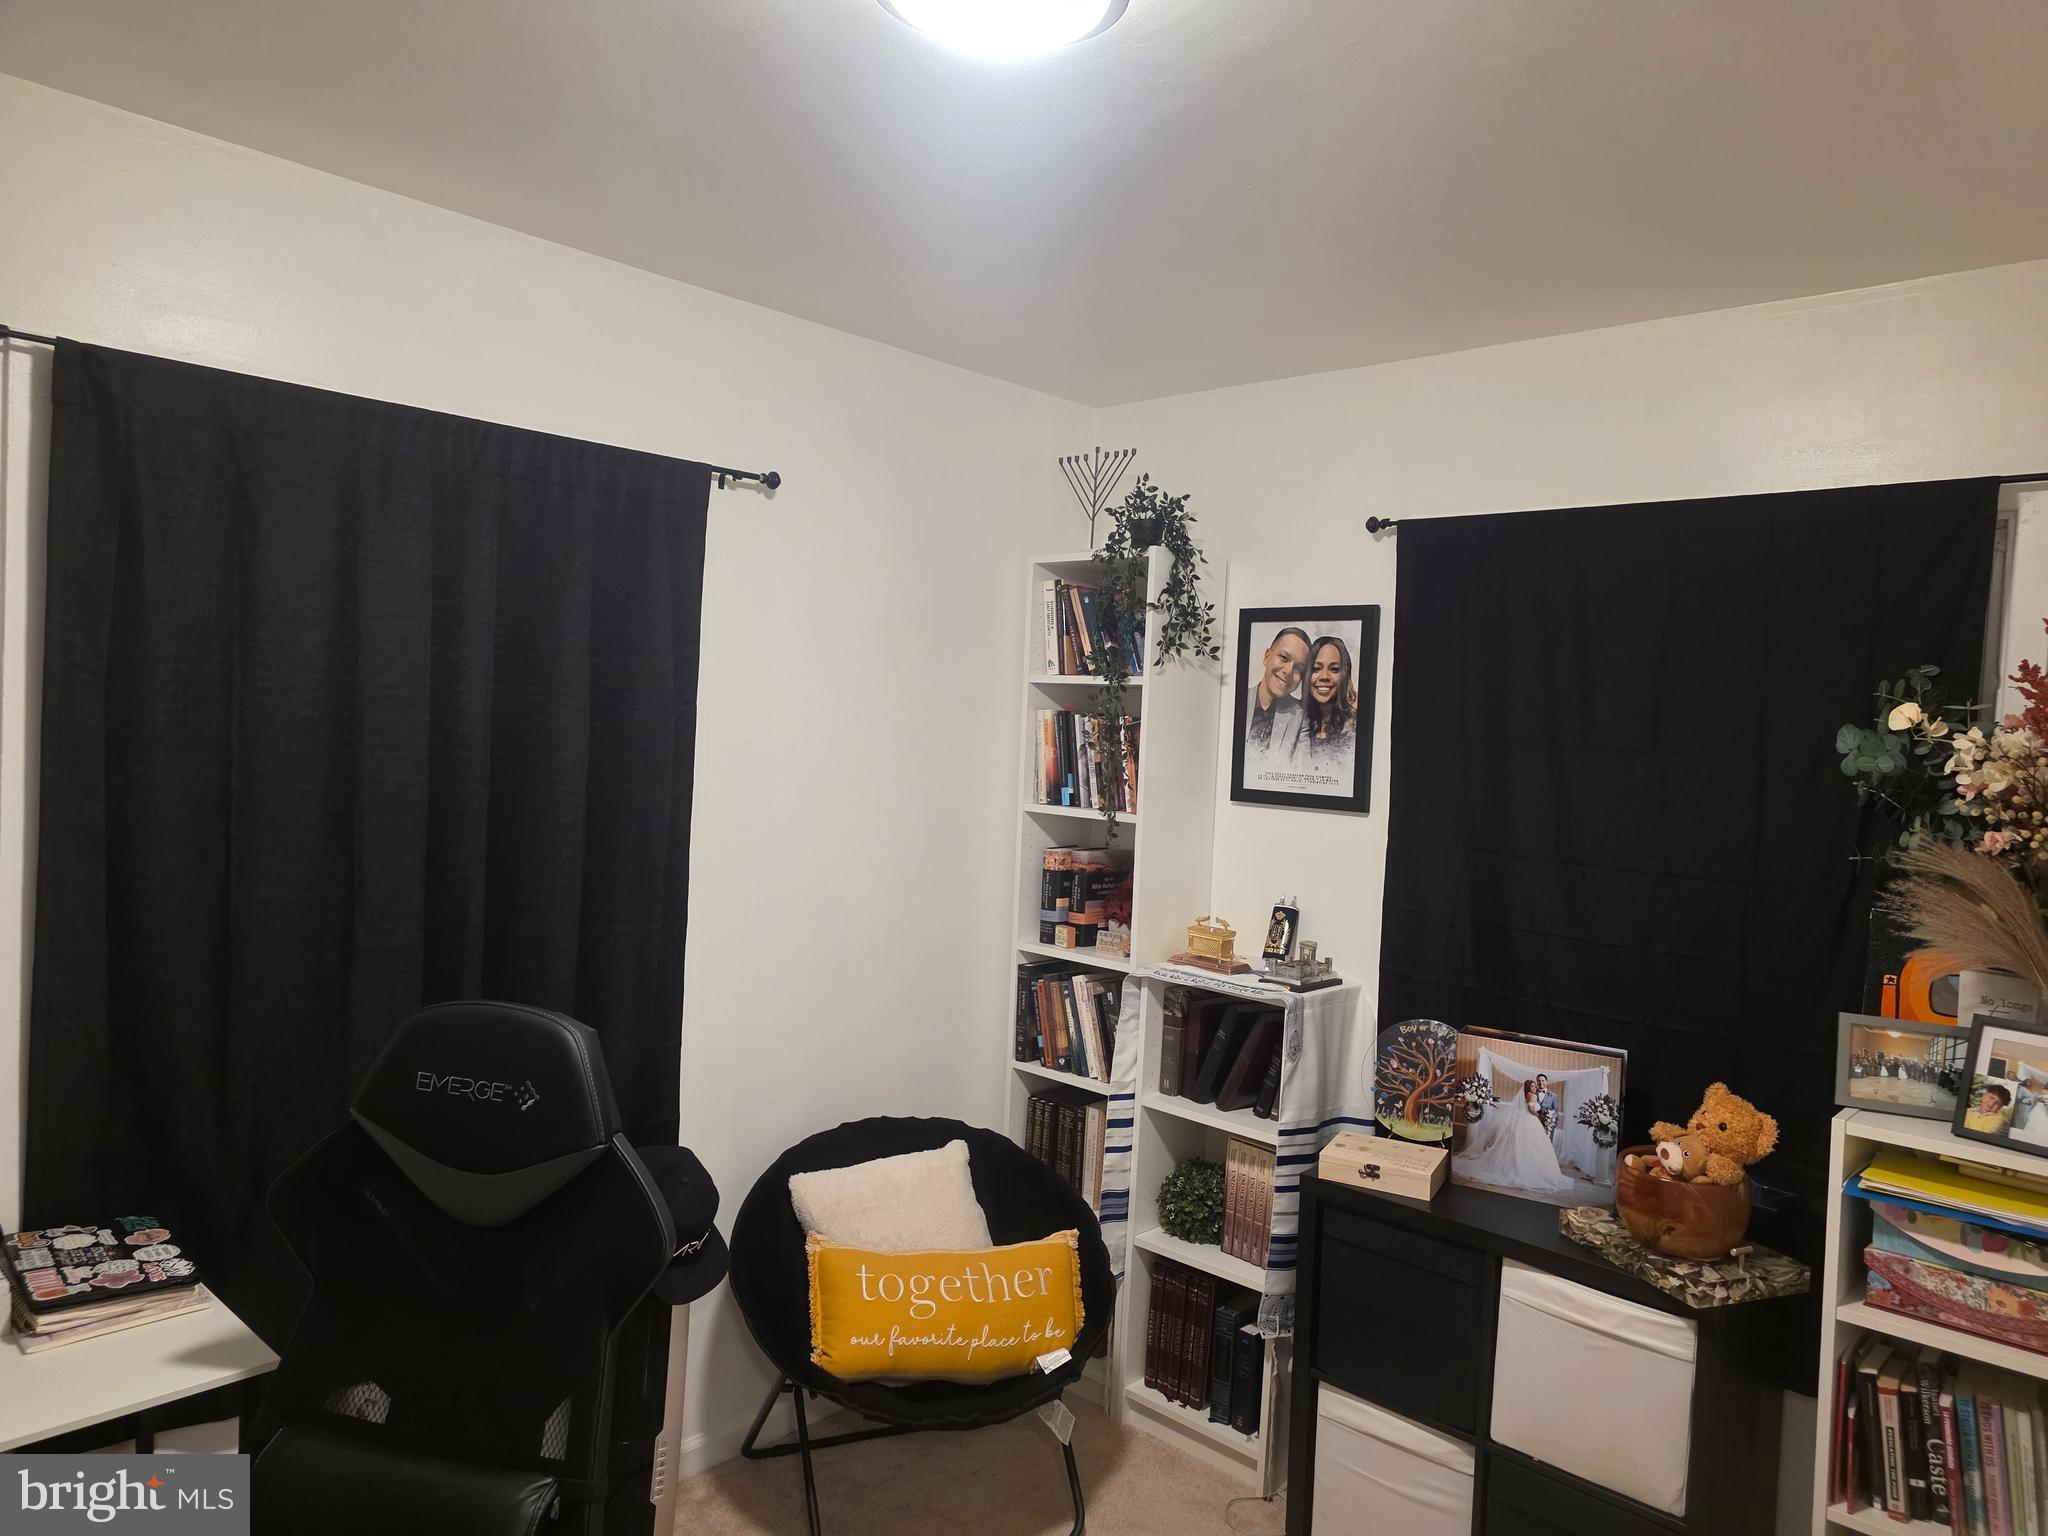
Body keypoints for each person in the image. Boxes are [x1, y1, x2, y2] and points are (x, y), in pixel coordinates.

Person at [1456, 1077, 1573, 1198]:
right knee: (1531, 1146)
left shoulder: (1526, 1094)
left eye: (1535, 1086)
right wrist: (1541, 1116)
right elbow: (1532, 1109)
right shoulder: (1532, 1095)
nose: (1534, 1087)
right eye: (1532, 1086)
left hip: (1523, 1119)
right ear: (1529, 1087)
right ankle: (1526, 1171)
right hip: (1531, 1120)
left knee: (1521, 1145)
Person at [1245, 627, 1311, 772]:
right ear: (1267, 657)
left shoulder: (1300, 718)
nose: (1288, 671)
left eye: (1298, 668)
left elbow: (1302, 771)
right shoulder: (1237, 702)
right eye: (1284, 658)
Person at [1301, 635, 1359, 770]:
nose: (1324, 677)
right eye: (1316, 669)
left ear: (1345, 674)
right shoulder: (1293, 721)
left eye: (1334, 669)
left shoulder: (1356, 726)